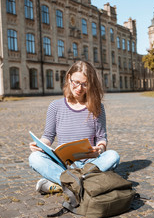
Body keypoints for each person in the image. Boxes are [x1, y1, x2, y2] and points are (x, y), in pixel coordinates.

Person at [29, 61, 120, 194]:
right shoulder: (55, 106)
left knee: (113, 156)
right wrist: (39, 145)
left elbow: (102, 138)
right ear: (68, 78)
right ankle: (82, 182)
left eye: (85, 84)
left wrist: (99, 149)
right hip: (64, 164)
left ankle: (63, 183)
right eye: (76, 82)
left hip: (90, 163)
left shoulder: (97, 107)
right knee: (34, 158)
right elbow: (48, 136)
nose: (79, 88)